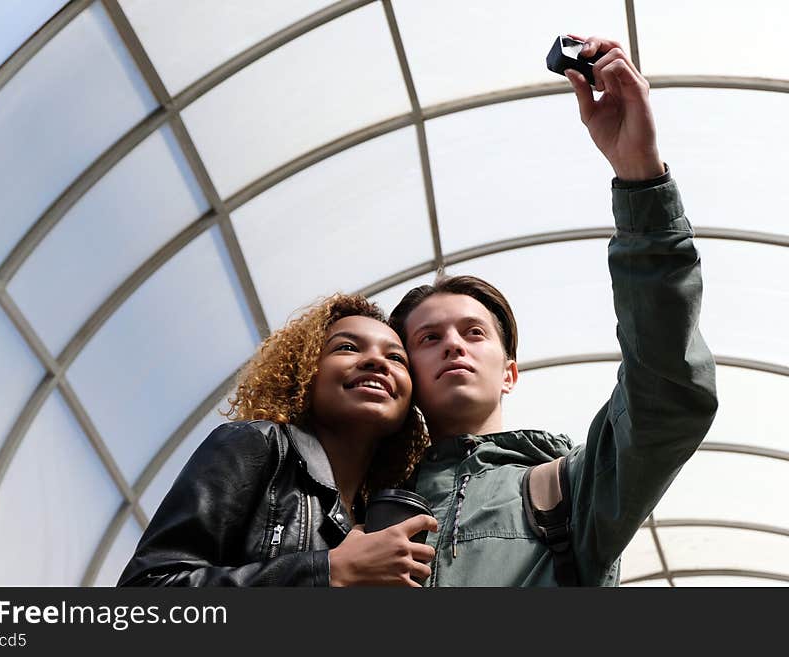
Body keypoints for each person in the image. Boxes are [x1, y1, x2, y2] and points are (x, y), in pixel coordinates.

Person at [386, 35, 719, 586]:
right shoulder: (352, 503)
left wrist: (639, 174)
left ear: (509, 372)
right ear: (405, 374)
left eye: (474, 333)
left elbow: (666, 398)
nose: (454, 345)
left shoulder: (570, 490)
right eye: (427, 339)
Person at [118, 293, 437, 586]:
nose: (377, 362)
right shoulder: (255, 445)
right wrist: (327, 570)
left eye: (396, 359)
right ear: (306, 370)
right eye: (347, 347)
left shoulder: (380, 515)